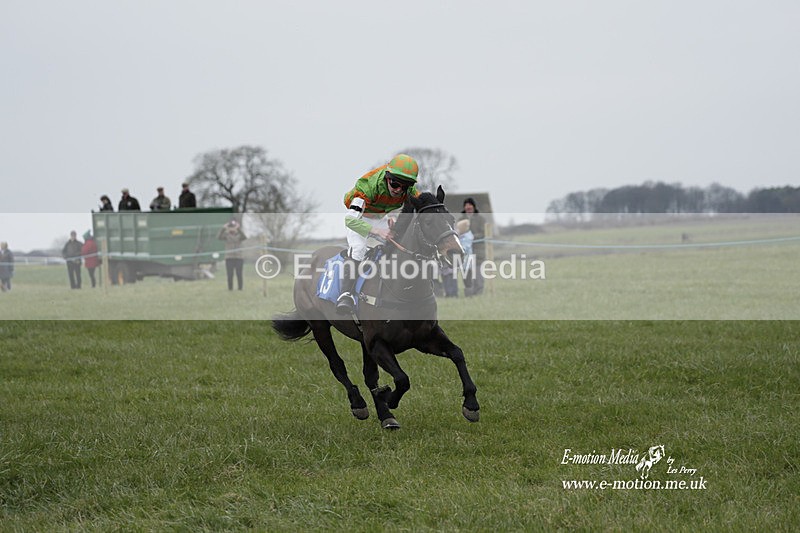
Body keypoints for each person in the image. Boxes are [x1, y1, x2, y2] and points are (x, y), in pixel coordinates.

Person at [337, 153, 421, 312]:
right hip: (359, 218)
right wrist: (376, 231)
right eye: (395, 184)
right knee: (359, 249)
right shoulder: (367, 187)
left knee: (402, 246)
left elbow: (421, 203)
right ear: (387, 178)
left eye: (404, 187)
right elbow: (349, 220)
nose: (399, 190)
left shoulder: (408, 189)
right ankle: (345, 294)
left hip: (379, 217)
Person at [460, 198, 487, 295]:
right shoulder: (461, 219)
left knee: (478, 275)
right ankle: (469, 294)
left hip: (478, 252)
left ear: (474, 207)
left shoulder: (481, 219)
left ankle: (478, 294)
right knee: (467, 275)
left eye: (470, 206)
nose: (468, 208)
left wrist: (471, 237)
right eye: (466, 206)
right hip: (466, 253)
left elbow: (484, 233)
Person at [218, 219, 247, 290]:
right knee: (230, 275)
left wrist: (238, 228)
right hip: (229, 258)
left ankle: (240, 288)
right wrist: (223, 228)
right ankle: (230, 288)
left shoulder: (239, 235)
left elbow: (244, 237)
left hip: (239, 257)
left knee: (239, 274)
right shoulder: (226, 235)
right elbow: (219, 237)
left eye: (233, 227)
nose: (232, 228)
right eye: (231, 227)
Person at [456, 218, 475, 296]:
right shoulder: (463, 237)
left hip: (467, 262)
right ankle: (468, 293)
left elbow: (464, 248)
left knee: (467, 279)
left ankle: (469, 294)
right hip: (464, 262)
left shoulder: (467, 237)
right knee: (465, 279)